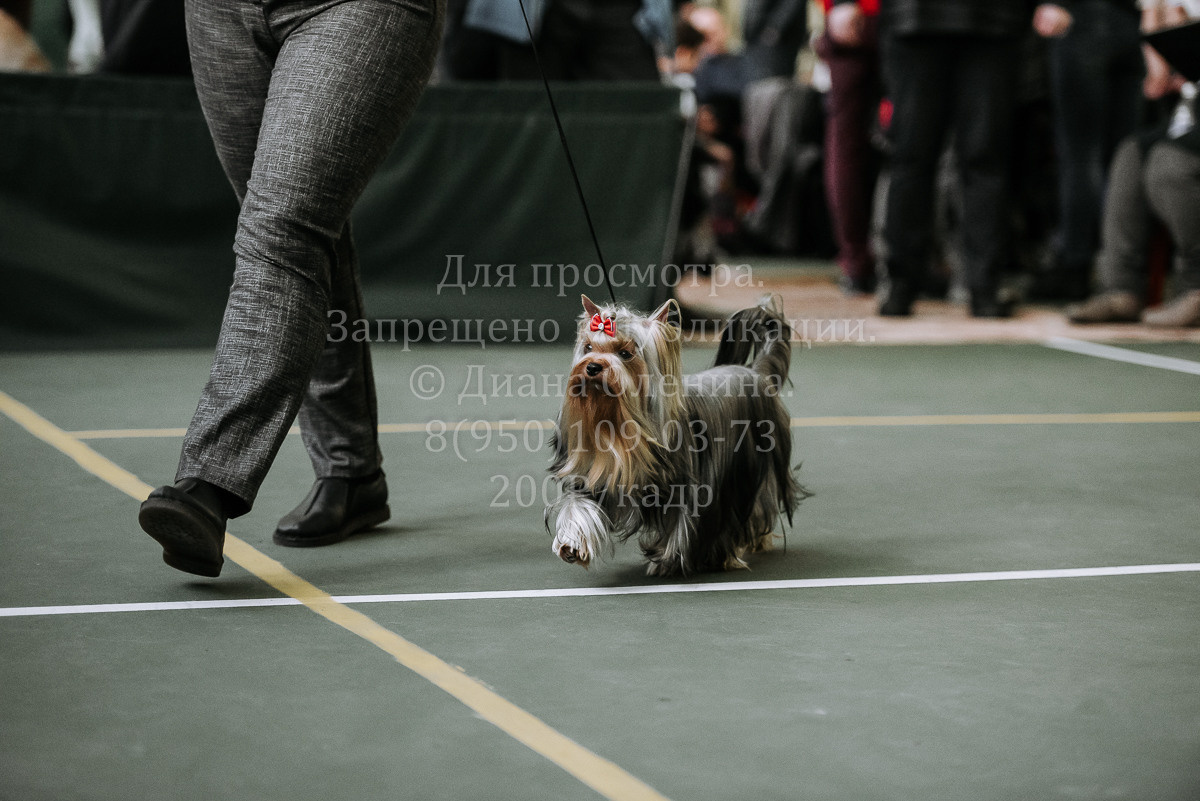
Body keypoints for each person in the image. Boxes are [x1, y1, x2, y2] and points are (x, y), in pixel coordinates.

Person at [137, 0, 445, 578]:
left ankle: (209, 481)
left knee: (281, 228)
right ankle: (351, 471)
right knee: (295, 228)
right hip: (218, 11)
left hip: (356, 7)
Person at [876, 0, 1073, 318]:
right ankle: (965, 288)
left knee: (947, 160)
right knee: (940, 160)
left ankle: (948, 287)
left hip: (978, 22)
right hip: (940, 21)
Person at [1030, 0, 1145, 302]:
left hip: (1082, 18)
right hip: (1131, 23)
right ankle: (1119, 275)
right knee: (1120, 158)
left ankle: (1076, 269)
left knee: (1082, 159)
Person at [815, 0, 882, 295]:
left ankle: (864, 259)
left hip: (904, 18)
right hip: (865, 16)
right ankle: (857, 259)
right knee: (847, 146)